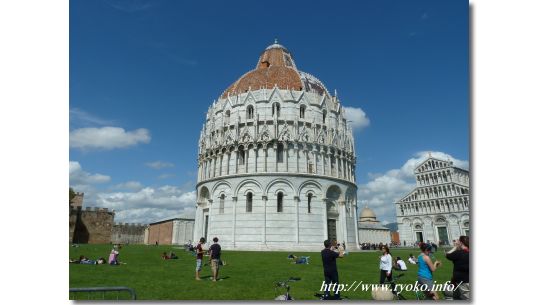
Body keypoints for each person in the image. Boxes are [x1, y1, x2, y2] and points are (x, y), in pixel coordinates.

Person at [445, 236, 470, 300]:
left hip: (463, 280)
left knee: (467, 298)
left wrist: (455, 247)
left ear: (461, 243)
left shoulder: (458, 253)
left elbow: (447, 254)